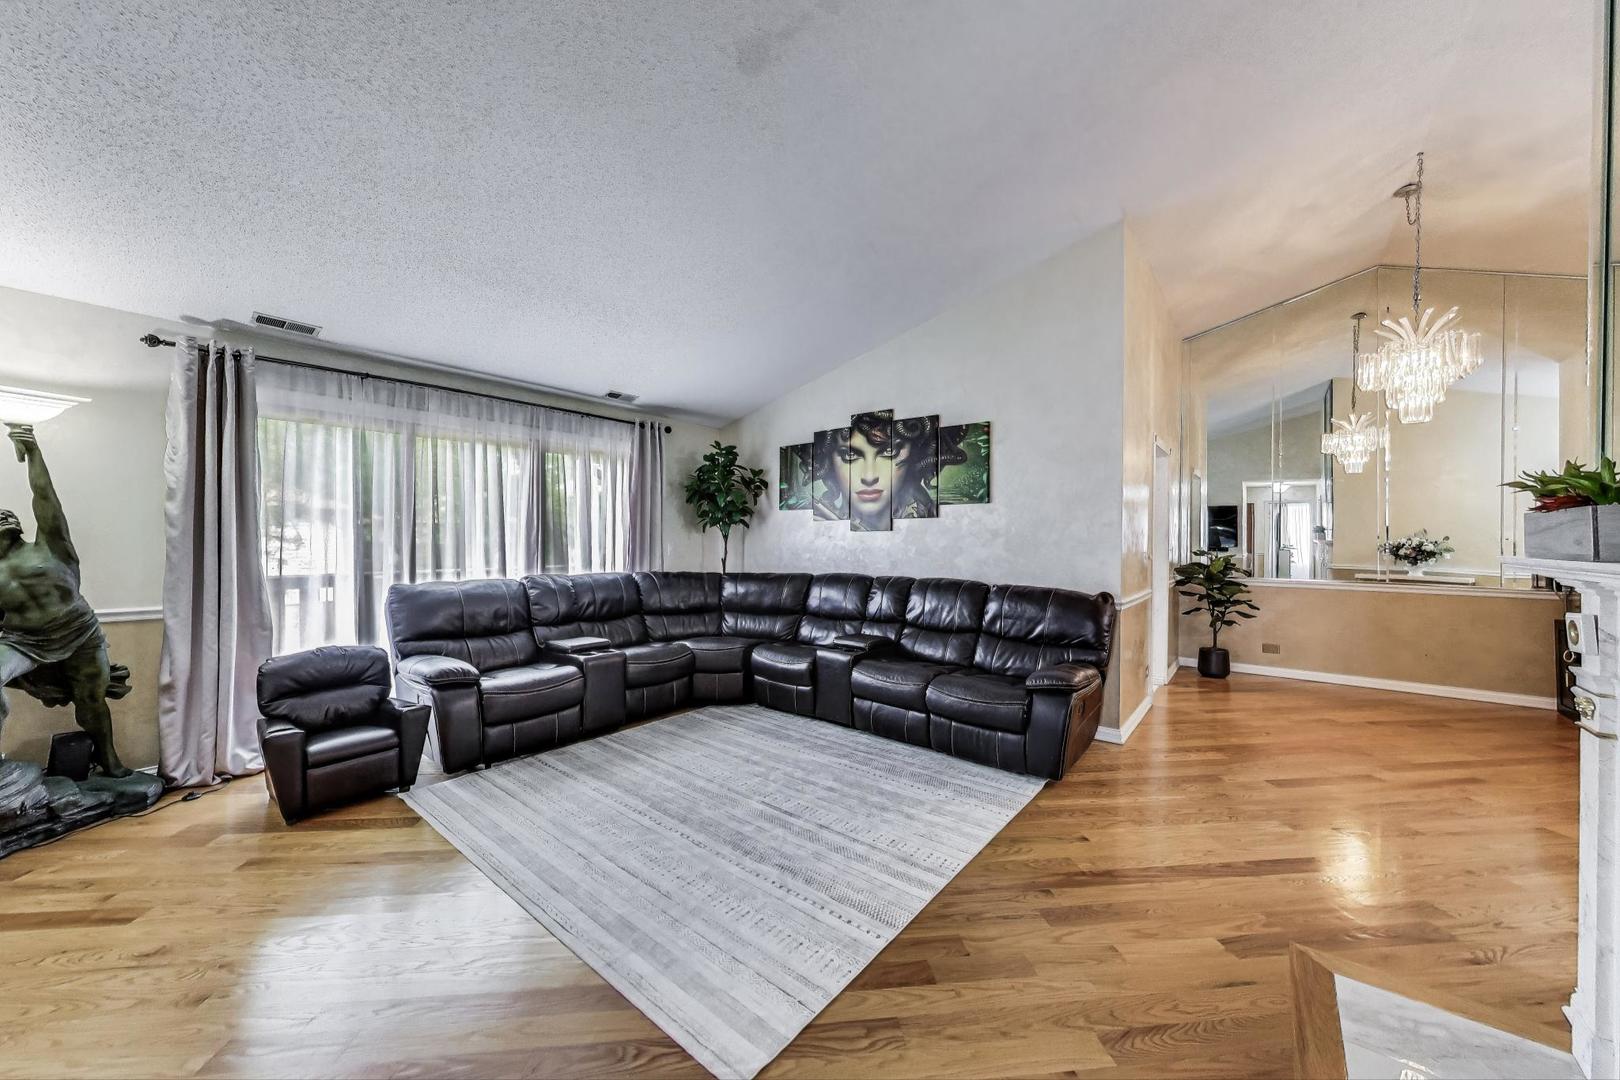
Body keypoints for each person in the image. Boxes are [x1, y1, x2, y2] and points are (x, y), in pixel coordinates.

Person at [0, 424, 128, 776]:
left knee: (90, 703)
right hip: (23, 642)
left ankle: (109, 758)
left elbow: (44, 496)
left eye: (6, 514)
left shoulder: (51, 546)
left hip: (80, 633)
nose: (2, 516)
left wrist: (34, 453)